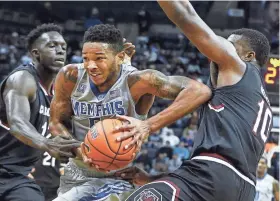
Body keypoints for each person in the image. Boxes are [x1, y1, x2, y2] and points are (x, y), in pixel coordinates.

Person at [112, 1, 274, 201]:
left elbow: (187, 15)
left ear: (249, 56)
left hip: (213, 175)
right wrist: (150, 178)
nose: (220, 48)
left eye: (230, 46)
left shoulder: (240, 68)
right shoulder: (258, 100)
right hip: (244, 190)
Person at [49, 24, 211, 201]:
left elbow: (199, 91)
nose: (90, 65)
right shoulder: (70, 76)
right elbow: (56, 122)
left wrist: (148, 125)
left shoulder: (138, 80)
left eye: (99, 58)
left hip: (119, 174)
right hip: (78, 170)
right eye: (86, 58)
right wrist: (80, 150)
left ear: (119, 57)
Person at [0, 23, 81, 201]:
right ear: (36, 53)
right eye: (52, 46)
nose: (60, 51)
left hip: (16, 178)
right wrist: (47, 144)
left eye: (63, 47)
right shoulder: (22, 79)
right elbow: (17, 123)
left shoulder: (56, 97)